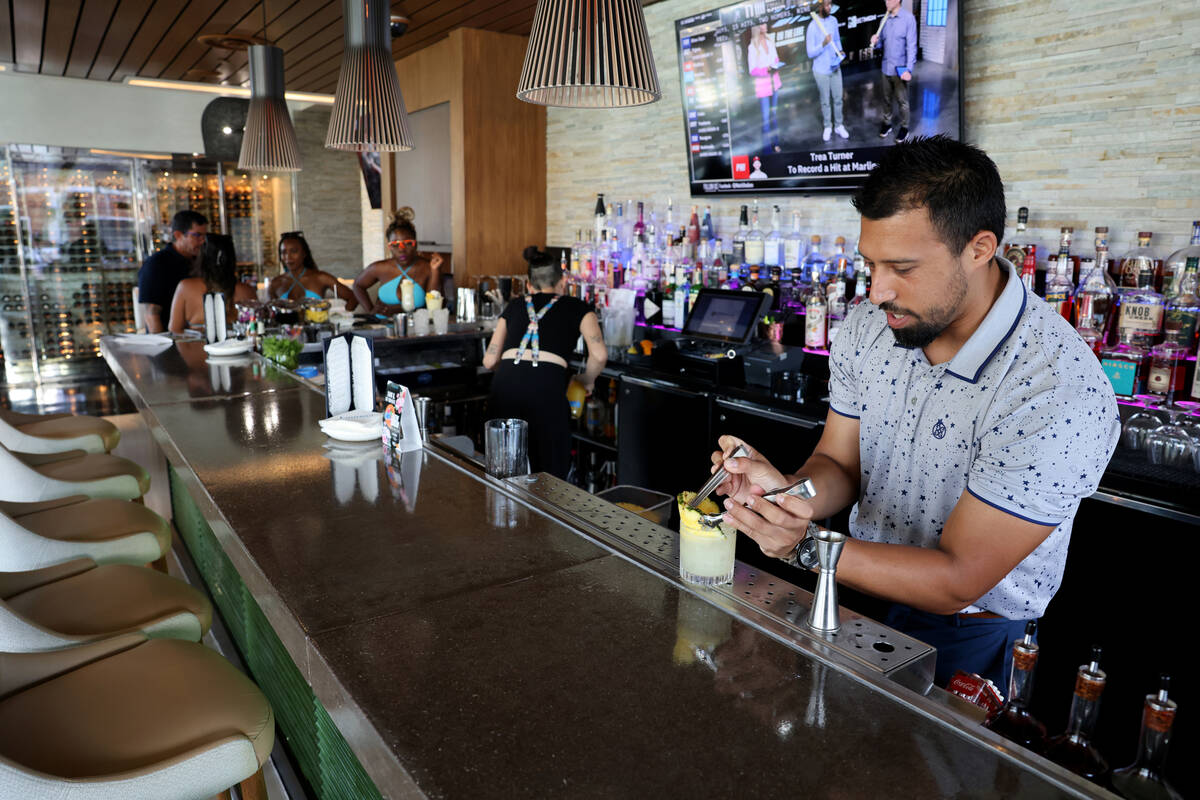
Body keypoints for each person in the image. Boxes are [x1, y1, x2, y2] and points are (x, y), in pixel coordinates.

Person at [707, 136, 1119, 689]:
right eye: (870, 264)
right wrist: (786, 494)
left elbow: (958, 578)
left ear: (979, 248)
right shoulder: (869, 328)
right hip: (849, 590)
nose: (877, 291)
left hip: (971, 632)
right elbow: (838, 464)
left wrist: (804, 545)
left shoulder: (1055, 388)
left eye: (902, 266)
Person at [483, 247, 608, 479]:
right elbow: (599, 355)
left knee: (503, 469)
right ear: (562, 283)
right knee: (547, 475)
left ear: (529, 285)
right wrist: (586, 380)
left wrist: (515, 373)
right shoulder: (578, 307)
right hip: (546, 388)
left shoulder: (515, 305)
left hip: (505, 388)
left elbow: (489, 359)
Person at [352, 207, 443, 314]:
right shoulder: (380, 268)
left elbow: (433, 309)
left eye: (408, 243)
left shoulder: (428, 267)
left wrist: (435, 271)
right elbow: (357, 285)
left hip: (414, 327)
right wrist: (370, 310)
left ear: (415, 244)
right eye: (395, 245)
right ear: (389, 247)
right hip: (382, 326)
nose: (401, 250)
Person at [168, 233, 256, 335]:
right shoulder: (246, 290)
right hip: (236, 348)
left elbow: (174, 329)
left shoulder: (185, 287)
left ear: (202, 257)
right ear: (231, 258)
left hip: (197, 349)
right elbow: (255, 328)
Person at [138, 210, 207, 332]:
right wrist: (162, 346)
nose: (202, 241)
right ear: (178, 235)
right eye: (197, 235)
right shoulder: (157, 264)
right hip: (169, 338)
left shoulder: (201, 260)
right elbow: (152, 314)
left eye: (204, 236)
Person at [268, 232, 358, 310]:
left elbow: (353, 297)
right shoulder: (275, 283)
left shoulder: (321, 277)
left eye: (294, 251)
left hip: (318, 329)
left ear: (304, 253)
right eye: (284, 252)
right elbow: (270, 313)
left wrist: (343, 316)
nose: (288, 257)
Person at [871, 0, 917, 143]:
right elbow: (880, 45)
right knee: (886, 100)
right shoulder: (884, 19)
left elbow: (911, 46)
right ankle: (887, 124)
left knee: (902, 101)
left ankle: (904, 127)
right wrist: (875, 41)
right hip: (886, 68)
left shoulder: (908, 19)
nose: (886, 2)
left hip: (900, 70)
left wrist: (909, 69)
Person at [806, 0, 849, 142]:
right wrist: (823, 44)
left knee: (838, 98)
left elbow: (836, 40)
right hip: (821, 70)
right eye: (826, 5)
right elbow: (810, 53)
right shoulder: (812, 26)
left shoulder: (834, 21)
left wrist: (840, 50)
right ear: (820, 7)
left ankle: (839, 125)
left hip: (835, 66)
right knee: (825, 101)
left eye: (830, 4)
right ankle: (828, 127)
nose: (829, 7)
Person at [747, 24, 784, 154]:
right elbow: (752, 70)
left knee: (773, 116)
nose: (765, 25)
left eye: (765, 23)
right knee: (766, 119)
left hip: (775, 83)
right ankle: (767, 150)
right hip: (763, 87)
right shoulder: (752, 47)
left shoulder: (770, 41)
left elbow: (776, 58)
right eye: (762, 24)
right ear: (757, 27)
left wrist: (776, 64)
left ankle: (776, 144)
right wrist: (766, 70)